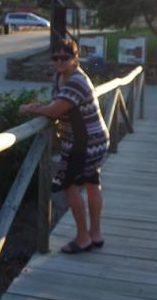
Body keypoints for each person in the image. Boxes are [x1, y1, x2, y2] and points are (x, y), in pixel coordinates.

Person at [19, 39, 109, 254]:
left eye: (65, 57)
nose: (59, 61)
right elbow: (56, 105)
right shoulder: (61, 77)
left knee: (69, 185)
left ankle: (83, 238)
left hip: (85, 143)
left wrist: (30, 108)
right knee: (91, 182)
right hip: (92, 139)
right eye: (55, 57)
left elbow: (54, 110)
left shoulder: (76, 81)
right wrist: (45, 108)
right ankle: (95, 235)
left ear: (75, 58)